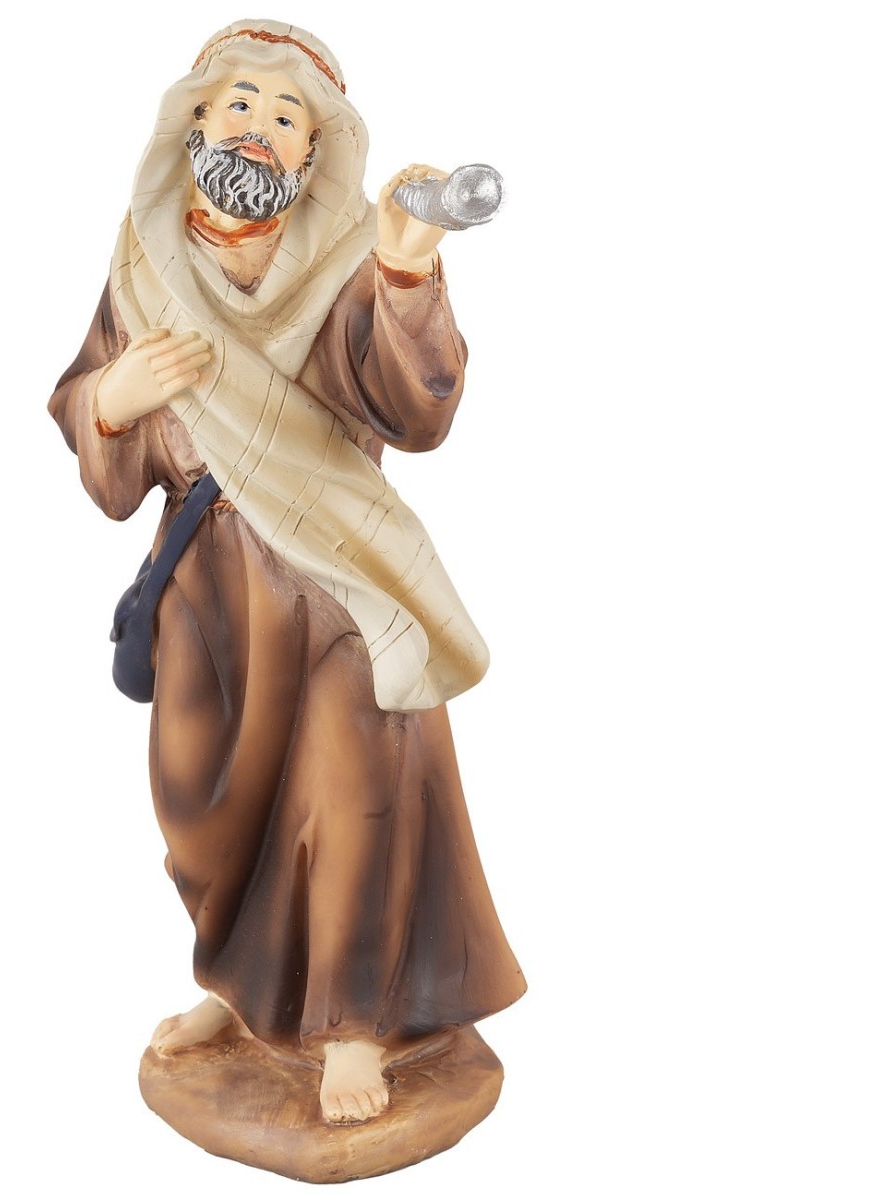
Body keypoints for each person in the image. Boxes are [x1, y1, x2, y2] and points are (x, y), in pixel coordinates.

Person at [48, 20, 525, 1125]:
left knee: (350, 790)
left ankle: (351, 1022)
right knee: (204, 802)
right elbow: (91, 420)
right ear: (196, 120)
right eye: (240, 104)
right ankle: (243, 989)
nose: (257, 128)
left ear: (318, 147)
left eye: (285, 113)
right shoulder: (141, 262)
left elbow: (417, 413)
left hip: (337, 582)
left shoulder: (350, 258)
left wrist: (404, 268)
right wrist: (113, 403)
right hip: (208, 588)